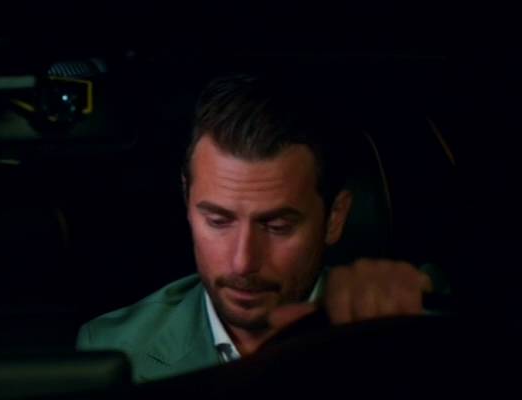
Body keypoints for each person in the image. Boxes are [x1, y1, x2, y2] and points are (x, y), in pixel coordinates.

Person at [77, 73, 433, 382]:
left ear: (334, 218)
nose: (243, 262)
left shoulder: (409, 341)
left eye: (277, 226)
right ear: (187, 201)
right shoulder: (114, 350)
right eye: (218, 221)